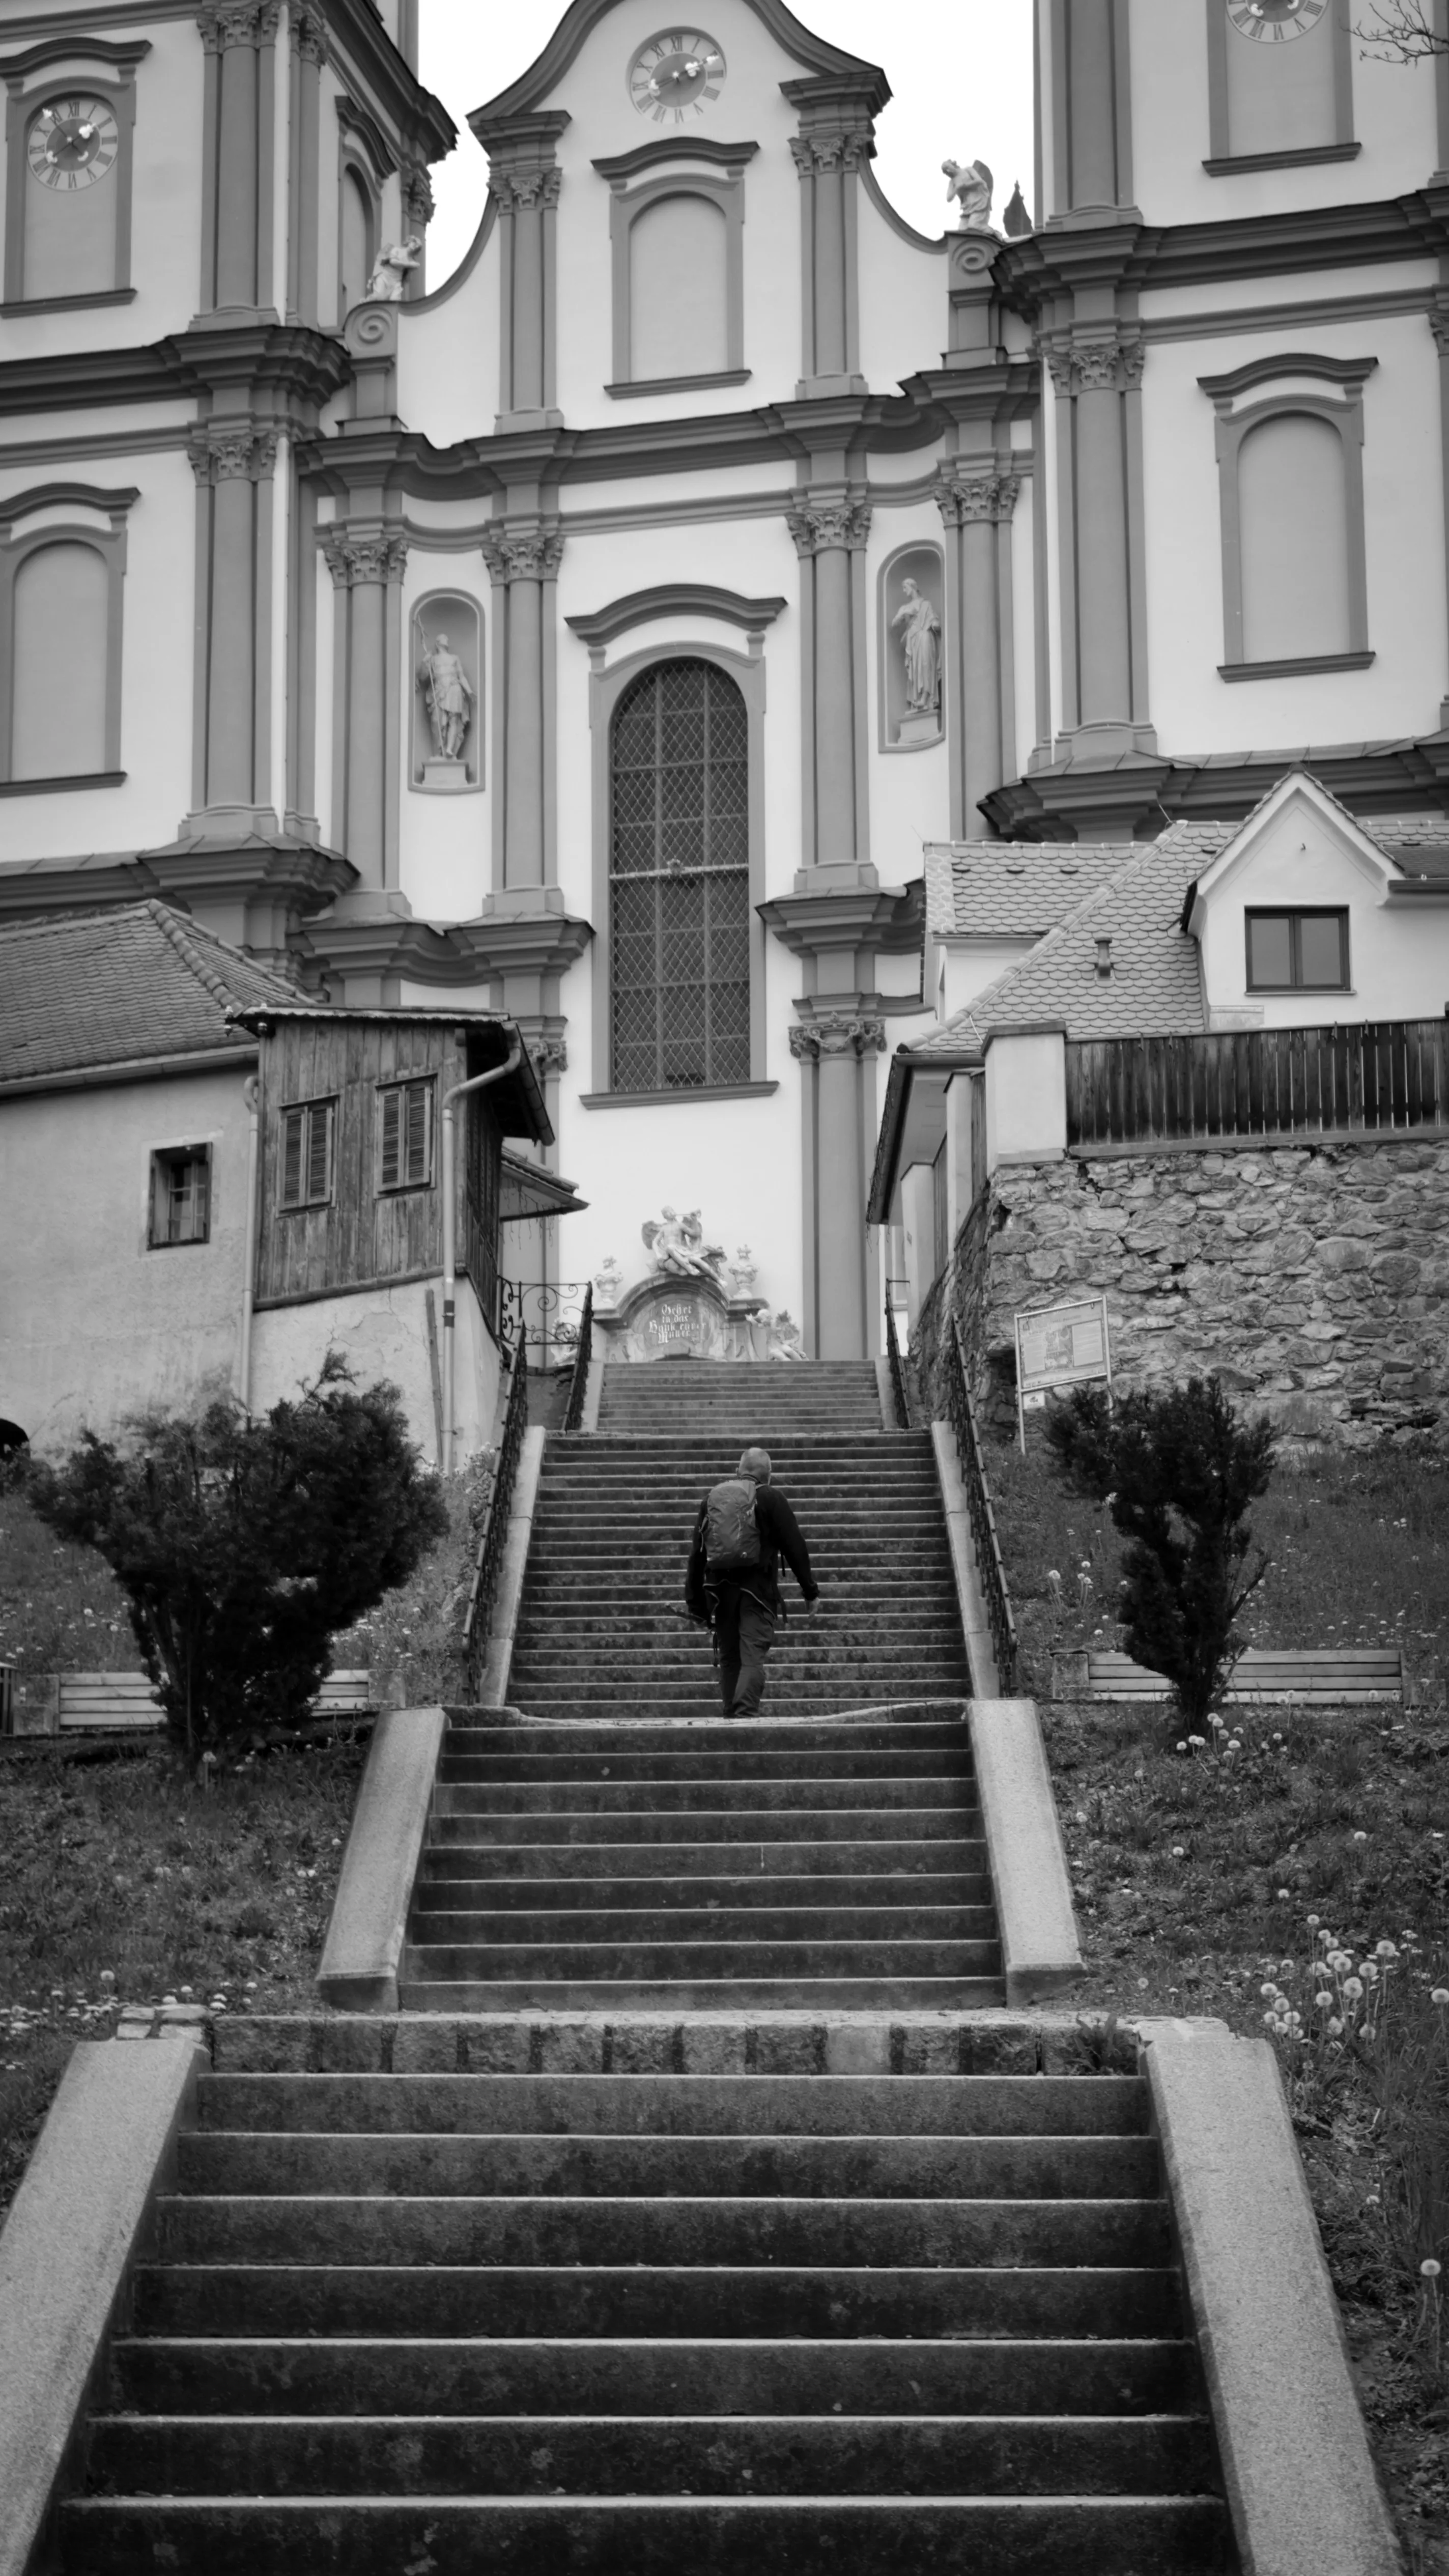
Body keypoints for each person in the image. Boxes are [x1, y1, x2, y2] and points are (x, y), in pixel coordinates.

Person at [686, 1445, 819, 1718]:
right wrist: (810, 1591)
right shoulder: (771, 1498)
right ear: (769, 1475)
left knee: (730, 1658)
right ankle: (745, 1718)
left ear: (738, 1471)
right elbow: (795, 1546)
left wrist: (696, 1605)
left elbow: (697, 1557)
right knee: (752, 1658)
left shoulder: (713, 1499)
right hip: (757, 1595)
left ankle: (730, 1716)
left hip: (721, 1595)